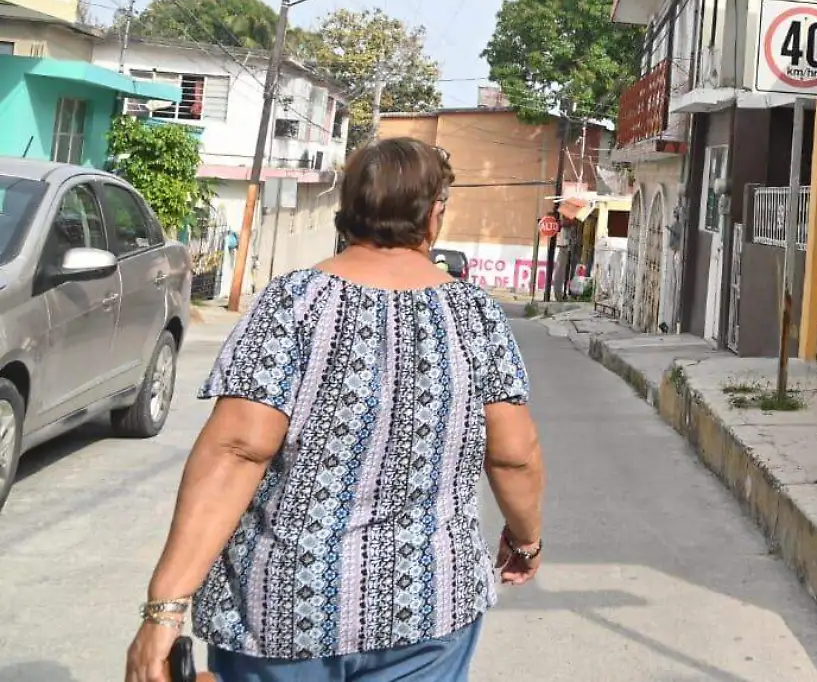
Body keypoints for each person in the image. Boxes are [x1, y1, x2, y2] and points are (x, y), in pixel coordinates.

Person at [125, 138, 546, 682]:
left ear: (347, 210)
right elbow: (513, 456)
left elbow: (235, 452)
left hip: (281, 615)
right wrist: (525, 540)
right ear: (434, 215)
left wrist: (164, 611)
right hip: (426, 609)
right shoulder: (476, 316)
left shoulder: (292, 302)